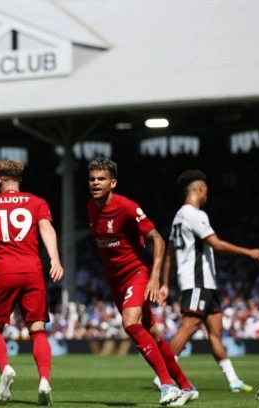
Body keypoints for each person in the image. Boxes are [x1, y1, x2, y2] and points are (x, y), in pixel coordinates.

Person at [86, 156, 196, 407]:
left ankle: (167, 386)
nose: (95, 183)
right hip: (115, 280)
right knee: (154, 334)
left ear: (112, 182)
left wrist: (154, 276)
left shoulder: (127, 207)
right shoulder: (91, 207)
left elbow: (158, 239)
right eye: (92, 179)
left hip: (136, 272)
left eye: (101, 179)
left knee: (130, 323)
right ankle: (187, 387)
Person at [157, 170, 259, 392]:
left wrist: (165, 283)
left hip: (206, 282)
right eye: (206, 190)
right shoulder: (195, 214)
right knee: (189, 326)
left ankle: (233, 381)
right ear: (199, 190)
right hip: (198, 281)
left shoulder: (178, 216)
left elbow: (169, 254)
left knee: (215, 331)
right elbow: (216, 244)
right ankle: (163, 375)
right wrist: (249, 252)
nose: (207, 194)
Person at [0, 160, 64, 406]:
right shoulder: (37, 202)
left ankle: (5, 368)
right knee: (37, 330)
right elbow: (47, 228)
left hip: (3, 271)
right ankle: (44, 379)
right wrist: (54, 259)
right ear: (19, 180)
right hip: (32, 270)